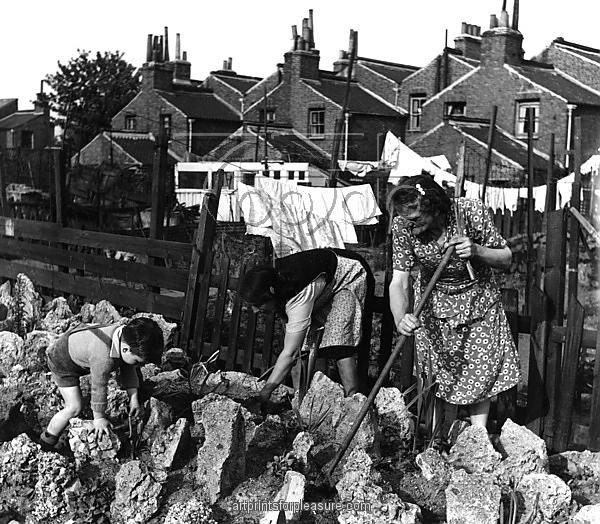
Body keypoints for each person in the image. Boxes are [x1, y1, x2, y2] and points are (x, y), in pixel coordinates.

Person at [388, 174, 520, 432]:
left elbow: (505, 258)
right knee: (435, 374)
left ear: (434, 207)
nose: (409, 224)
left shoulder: (469, 212)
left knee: (478, 369)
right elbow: (399, 280)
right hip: (433, 304)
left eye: (415, 218)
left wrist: (477, 251)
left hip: (477, 302)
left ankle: (477, 438)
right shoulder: (402, 226)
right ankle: (433, 439)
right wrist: (400, 318)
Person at [239, 248, 374, 401]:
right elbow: (295, 352)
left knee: (340, 343)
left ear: (270, 292)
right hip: (322, 282)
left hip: (349, 275)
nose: (255, 311)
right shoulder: (277, 284)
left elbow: (290, 354)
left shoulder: (297, 295)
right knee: (303, 346)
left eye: (257, 304)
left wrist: (265, 393)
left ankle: (354, 402)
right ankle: (300, 402)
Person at [40, 317, 164, 450]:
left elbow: (128, 368)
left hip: (80, 348)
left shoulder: (124, 339)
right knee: (74, 407)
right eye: (138, 362)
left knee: (128, 364)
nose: (139, 366)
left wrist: (133, 398)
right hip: (61, 360)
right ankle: (46, 441)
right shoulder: (103, 357)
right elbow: (98, 386)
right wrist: (99, 418)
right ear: (126, 349)